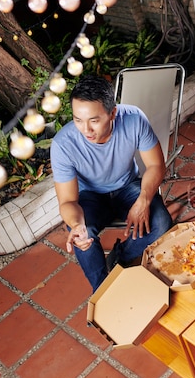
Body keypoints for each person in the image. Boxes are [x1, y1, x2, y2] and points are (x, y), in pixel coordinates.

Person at [50, 75, 172, 292]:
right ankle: (103, 292)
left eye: (94, 120)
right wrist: (77, 225)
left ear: (113, 113)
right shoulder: (63, 144)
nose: (85, 130)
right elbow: (68, 200)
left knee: (161, 223)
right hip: (90, 197)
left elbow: (156, 166)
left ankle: (119, 257)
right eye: (78, 120)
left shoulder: (133, 119)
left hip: (128, 186)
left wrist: (143, 200)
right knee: (82, 236)